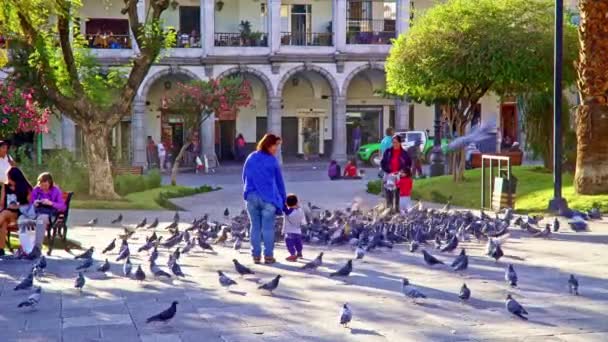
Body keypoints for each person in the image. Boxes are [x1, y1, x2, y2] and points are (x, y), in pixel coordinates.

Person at [242, 133, 286, 264]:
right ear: (268, 144)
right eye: (275, 145)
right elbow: (279, 182)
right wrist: (283, 199)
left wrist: (247, 192)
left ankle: (256, 256)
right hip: (268, 199)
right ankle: (268, 256)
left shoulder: (251, 157)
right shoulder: (273, 161)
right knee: (267, 229)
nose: (276, 149)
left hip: (251, 198)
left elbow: (244, 176)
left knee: (255, 227)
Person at [23, 172, 66, 251]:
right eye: (41, 185)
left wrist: (51, 203)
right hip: (37, 212)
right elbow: (30, 204)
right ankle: (26, 248)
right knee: (23, 220)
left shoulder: (56, 190)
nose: (43, 187)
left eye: (45, 185)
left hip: (50, 215)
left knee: (41, 220)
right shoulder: (36, 190)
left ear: (50, 183)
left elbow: (63, 206)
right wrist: (34, 203)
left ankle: (37, 248)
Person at [0, 167, 33, 256]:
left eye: (9, 177)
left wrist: (17, 206)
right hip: (7, 212)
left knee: (4, 214)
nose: (8, 179)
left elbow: (30, 205)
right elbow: (2, 203)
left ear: (15, 178)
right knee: (3, 223)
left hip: (20, 213)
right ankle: (1, 249)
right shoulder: (5, 186)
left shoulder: (26, 187)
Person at [381, 135, 411, 213]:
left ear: (400, 143)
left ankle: (397, 210)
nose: (394, 144)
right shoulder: (388, 152)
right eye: (393, 142)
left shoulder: (404, 153)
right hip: (389, 175)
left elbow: (409, 164)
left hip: (399, 176)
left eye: (396, 142)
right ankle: (389, 210)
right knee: (389, 194)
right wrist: (387, 170)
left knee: (398, 194)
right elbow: (383, 162)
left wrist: (403, 172)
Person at [283, 194, 305, 262]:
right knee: (298, 243)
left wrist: (284, 203)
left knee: (290, 244)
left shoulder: (288, 211)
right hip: (298, 231)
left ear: (287, 203)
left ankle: (293, 255)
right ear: (296, 202)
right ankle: (299, 253)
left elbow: (284, 208)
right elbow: (303, 220)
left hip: (289, 231)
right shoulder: (300, 210)